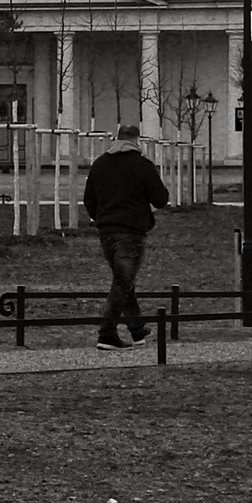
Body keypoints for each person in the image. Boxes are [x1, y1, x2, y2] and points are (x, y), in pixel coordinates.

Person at [82, 123, 171, 350]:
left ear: (116, 138)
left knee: (124, 282)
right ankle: (107, 334)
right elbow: (160, 198)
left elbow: (89, 200)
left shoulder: (100, 164)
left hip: (106, 232)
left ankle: (137, 331)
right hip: (131, 233)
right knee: (122, 283)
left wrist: (102, 217)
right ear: (136, 140)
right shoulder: (142, 166)